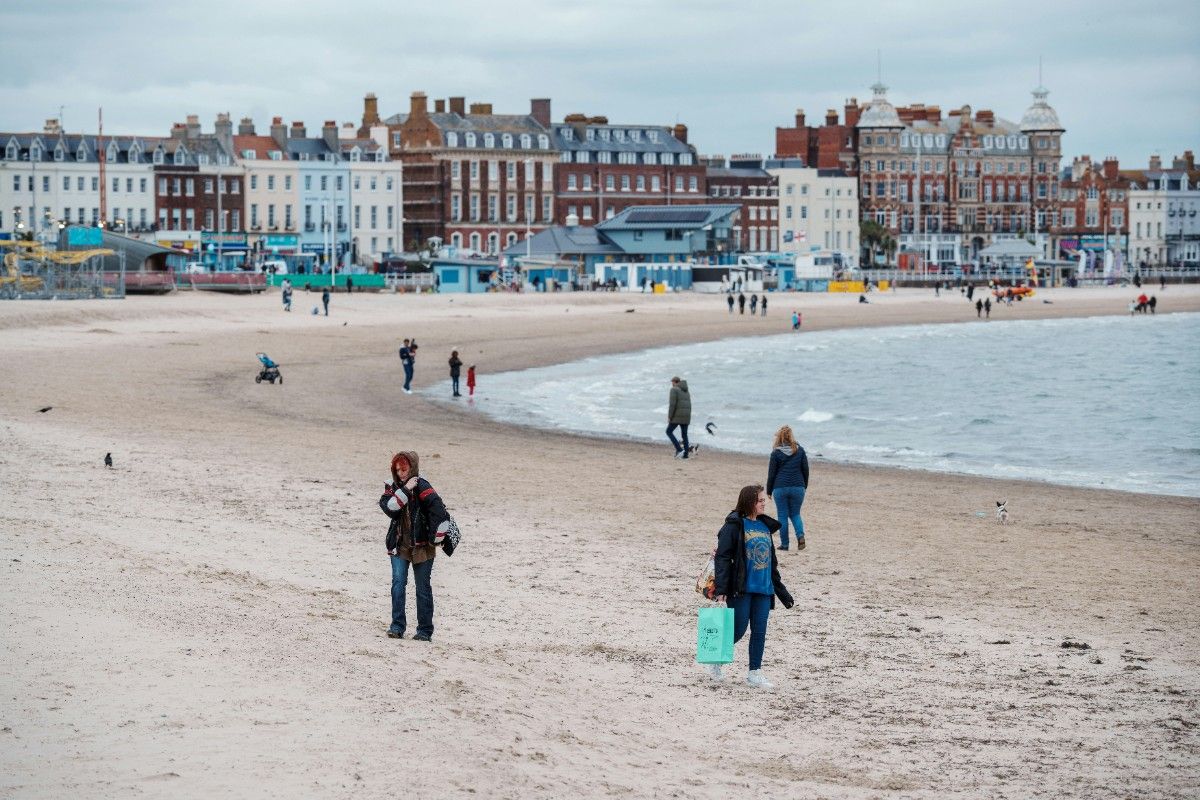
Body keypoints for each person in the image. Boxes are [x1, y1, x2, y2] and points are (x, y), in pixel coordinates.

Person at [710, 484, 794, 688]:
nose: (764, 503)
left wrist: (782, 592)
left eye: (764, 500)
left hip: (764, 589)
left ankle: (755, 673)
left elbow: (771, 564)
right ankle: (716, 659)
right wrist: (721, 590)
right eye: (760, 500)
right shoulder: (734, 525)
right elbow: (722, 557)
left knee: (759, 632)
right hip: (742, 588)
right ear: (749, 502)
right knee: (738, 630)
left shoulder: (765, 526)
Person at [379, 451, 450, 641]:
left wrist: (436, 538)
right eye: (398, 470)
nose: (401, 473)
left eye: (404, 469)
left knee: (423, 588)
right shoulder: (391, 487)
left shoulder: (424, 486)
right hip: (399, 544)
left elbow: (439, 510)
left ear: (413, 467)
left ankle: (424, 632)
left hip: (422, 547)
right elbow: (391, 507)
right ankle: (397, 627)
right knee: (398, 585)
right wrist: (406, 489)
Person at [766, 425, 810, 551]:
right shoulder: (800, 450)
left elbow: (772, 474)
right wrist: (804, 485)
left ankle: (785, 545)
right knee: (795, 514)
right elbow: (805, 470)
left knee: (782, 515)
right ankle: (800, 536)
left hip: (780, 488)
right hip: (798, 487)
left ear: (779, 437)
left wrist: (769, 490)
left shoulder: (776, 453)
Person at [666, 376, 692, 459]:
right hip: (686, 416)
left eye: (672, 382)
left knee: (668, 431)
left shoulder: (674, 390)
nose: (672, 384)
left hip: (677, 416)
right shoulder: (686, 391)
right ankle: (685, 455)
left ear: (675, 382)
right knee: (684, 435)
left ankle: (679, 449)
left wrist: (670, 416)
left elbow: (672, 405)